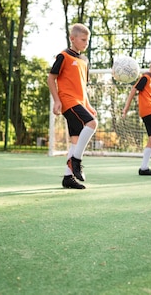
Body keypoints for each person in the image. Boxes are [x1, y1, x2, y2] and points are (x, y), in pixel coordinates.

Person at [47, 23, 97, 190]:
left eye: (87, 40)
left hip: (80, 101)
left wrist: (88, 105)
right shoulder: (63, 56)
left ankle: (68, 177)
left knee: (76, 141)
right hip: (68, 101)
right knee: (92, 124)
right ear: (72, 39)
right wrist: (57, 100)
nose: (86, 43)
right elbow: (50, 79)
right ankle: (76, 161)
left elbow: (83, 86)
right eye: (83, 40)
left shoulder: (84, 60)